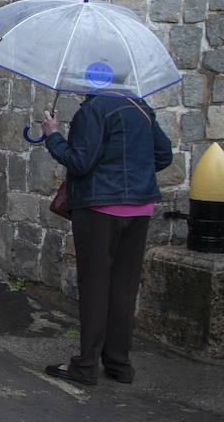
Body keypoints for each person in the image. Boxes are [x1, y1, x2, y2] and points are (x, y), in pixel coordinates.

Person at [40, 94, 172, 385]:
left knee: (96, 287)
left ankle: (85, 366)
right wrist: (132, 175)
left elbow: (80, 161)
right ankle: (119, 364)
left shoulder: (93, 110)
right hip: (139, 207)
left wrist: (53, 135)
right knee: (123, 288)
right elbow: (163, 155)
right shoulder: (140, 106)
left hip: (100, 210)